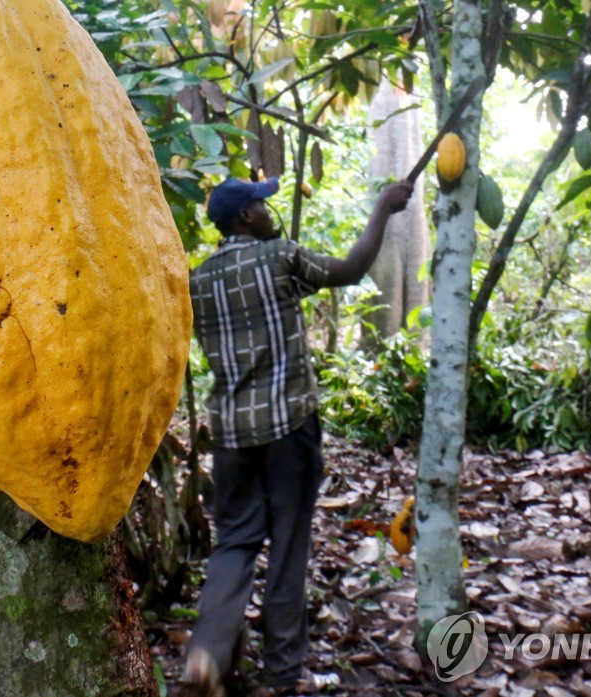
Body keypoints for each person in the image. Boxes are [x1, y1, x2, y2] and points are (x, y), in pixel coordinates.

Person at [183, 174, 413, 696]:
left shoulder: (198, 280)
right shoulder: (279, 257)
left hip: (232, 435)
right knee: (288, 542)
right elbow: (352, 270)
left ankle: (206, 654)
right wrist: (383, 207)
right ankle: (283, 669)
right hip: (289, 427)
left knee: (235, 542)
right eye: (262, 206)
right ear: (245, 218)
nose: (270, 212)